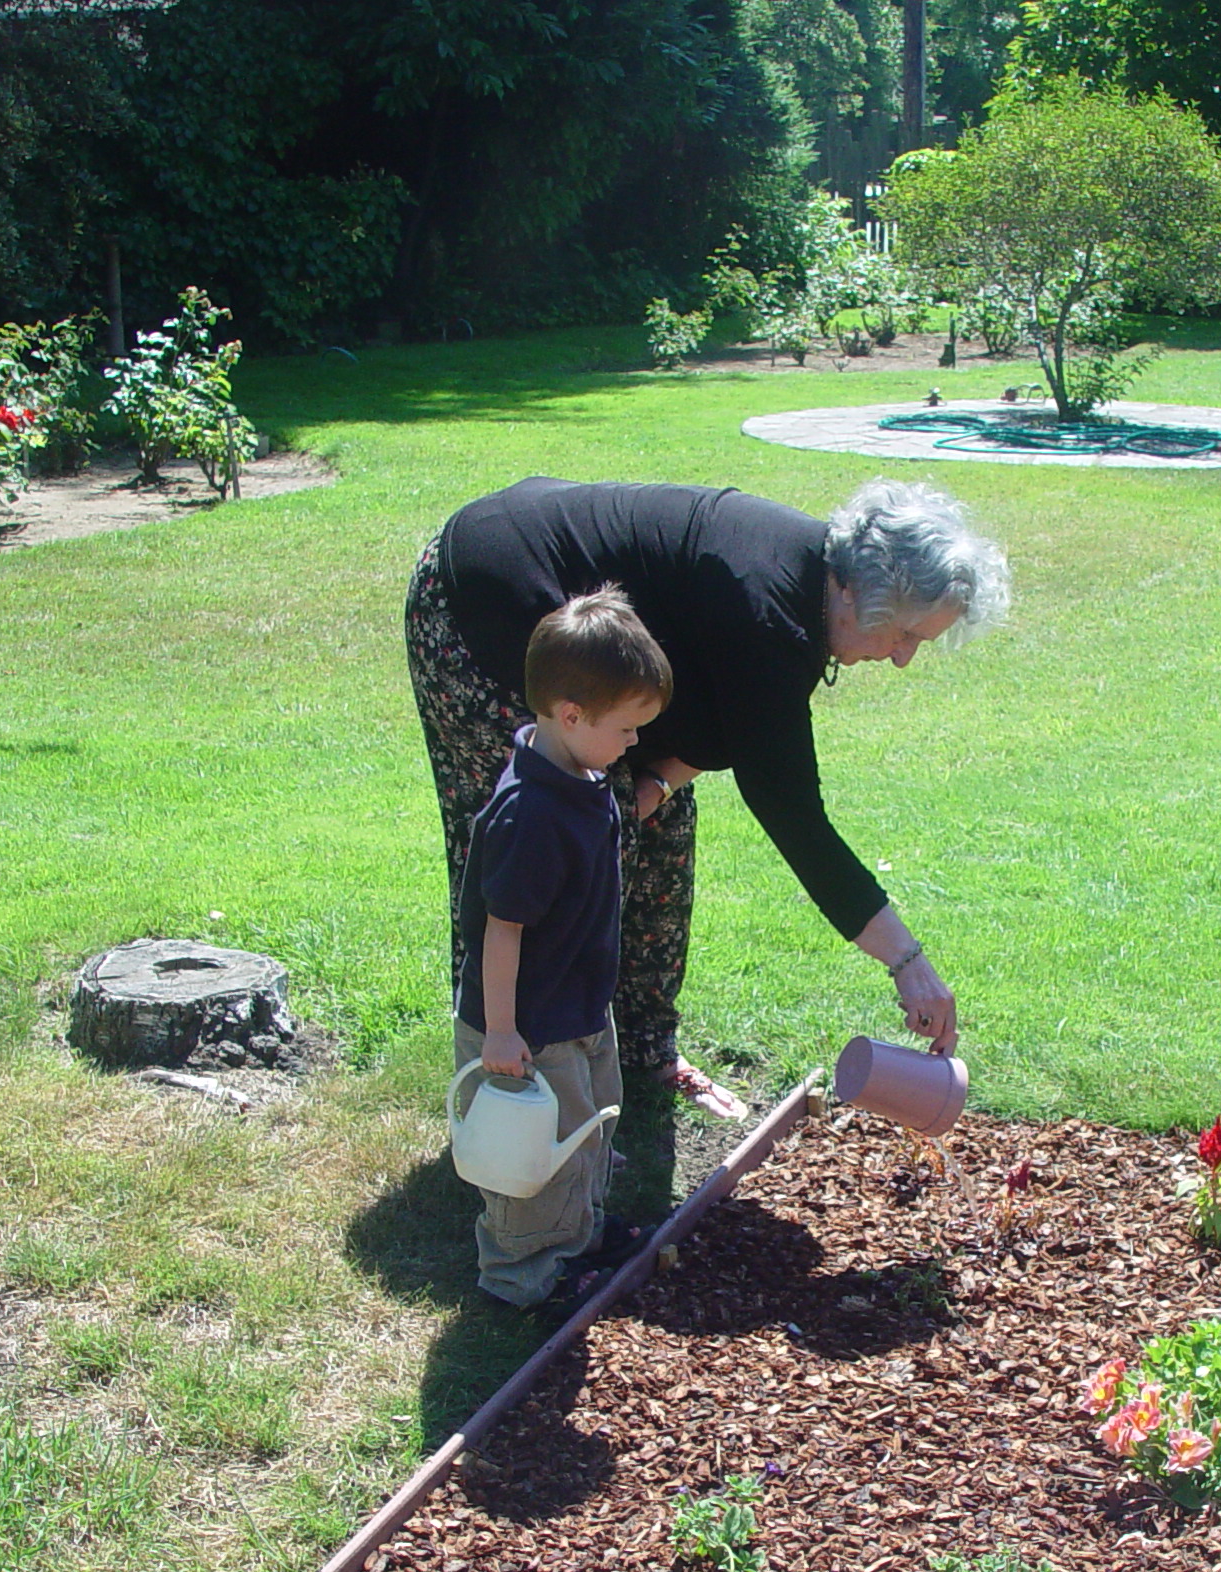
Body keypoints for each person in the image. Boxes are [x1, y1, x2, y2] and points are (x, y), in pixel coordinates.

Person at [406, 477, 1010, 1115]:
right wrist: (906, 962)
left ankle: (638, 1058)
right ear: (869, 595)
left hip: (592, 647)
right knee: (541, 857)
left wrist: (658, 782)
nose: (903, 659)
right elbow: (791, 811)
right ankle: (513, 1088)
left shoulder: (807, 594)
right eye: (908, 635)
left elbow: (717, 716)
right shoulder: (770, 609)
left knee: (653, 836)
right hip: (485, 602)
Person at [452, 588, 670, 1308]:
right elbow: (500, 929)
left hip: (577, 1005)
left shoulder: (581, 772)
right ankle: (522, 1273)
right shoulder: (530, 815)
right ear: (571, 716)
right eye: (627, 728)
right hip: (528, 1024)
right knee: (529, 1155)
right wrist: (503, 1030)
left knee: (585, 1128)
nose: (634, 742)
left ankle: (577, 1237)